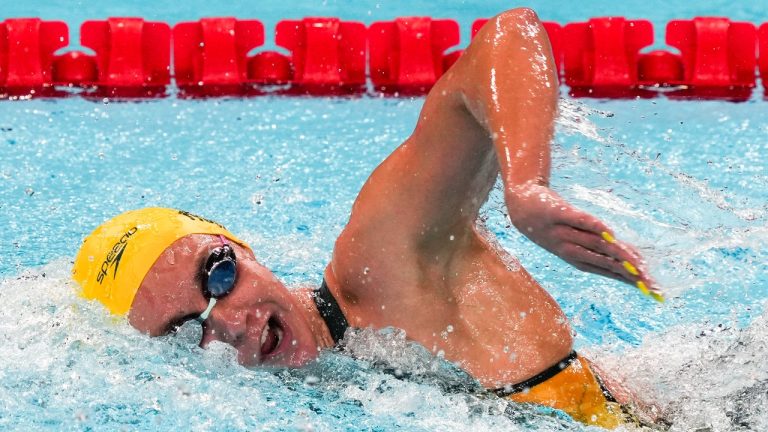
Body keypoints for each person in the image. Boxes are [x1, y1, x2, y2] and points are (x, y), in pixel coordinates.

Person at [72, 8, 662, 429]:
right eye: (187, 330)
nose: (229, 321)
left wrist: (526, 184)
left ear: (242, 248)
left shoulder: (386, 260)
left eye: (219, 276)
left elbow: (510, 36)